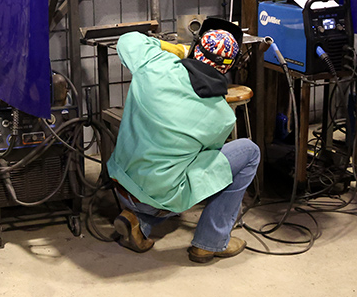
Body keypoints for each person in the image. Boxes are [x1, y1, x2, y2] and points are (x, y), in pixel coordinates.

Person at [106, 18, 260, 263]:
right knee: (249, 152)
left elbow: (127, 40)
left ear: (195, 48)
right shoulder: (222, 116)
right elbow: (208, 165)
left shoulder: (155, 63)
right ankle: (210, 242)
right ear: (228, 68)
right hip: (159, 201)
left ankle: (139, 221)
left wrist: (172, 49)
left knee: (163, 171)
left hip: (120, 182)